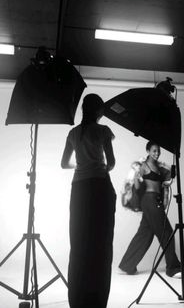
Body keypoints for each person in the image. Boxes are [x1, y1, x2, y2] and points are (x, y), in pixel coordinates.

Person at [61, 93, 116, 308]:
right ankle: (97, 301)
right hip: (100, 188)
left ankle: (77, 300)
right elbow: (110, 163)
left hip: (79, 190)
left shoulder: (73, 133)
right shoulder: (103, 131)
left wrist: (81, 166)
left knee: (79, 243)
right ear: (99, 111)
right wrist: (98, 164)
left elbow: (64, 164)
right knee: (101, 245)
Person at [119, 141, 181, 278]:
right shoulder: (143, 166)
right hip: (149, 200)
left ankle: (127, 265)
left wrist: (172, 172)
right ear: (147, 151)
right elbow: (137, 186)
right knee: (166, 232)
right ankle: (173, 268)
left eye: (158, 151)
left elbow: (166, 182)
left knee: (145, 234)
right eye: (154, 151)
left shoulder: (158, 167)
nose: (157, 153)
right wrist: (136, 177)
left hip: (155, 201)